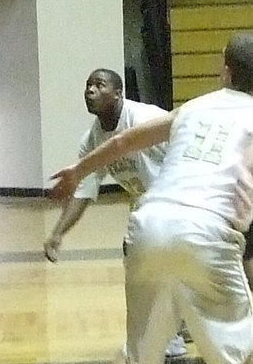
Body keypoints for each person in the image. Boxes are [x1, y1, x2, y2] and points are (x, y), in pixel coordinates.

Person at [50, 33, 253, 364]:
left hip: (147, 226)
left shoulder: (192, 107)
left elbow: (121, 143)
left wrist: (78, 170)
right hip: (209, 230)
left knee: (142, 356)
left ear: (225, 71)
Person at [44, 68, 187, 359]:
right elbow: (84, 189)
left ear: (119, 92)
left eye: (99, 85)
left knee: (158, 265)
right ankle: (173, 328)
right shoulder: (93, 139)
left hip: (182, 201)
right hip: (149, 210)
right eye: (88, 85)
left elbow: (187, 143)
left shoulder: (144, 118)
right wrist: (58, 232)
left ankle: (169, 336)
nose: (91, 91)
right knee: (145, 265)